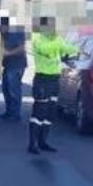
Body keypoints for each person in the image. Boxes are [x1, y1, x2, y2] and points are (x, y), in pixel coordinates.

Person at [27, 16, 78, 154]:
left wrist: (78, 49)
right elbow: (44, 49)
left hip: (54, 79)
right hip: (42, 79)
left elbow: (66, 48)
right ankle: (32, 144)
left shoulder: (56, 39)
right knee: (40, 111)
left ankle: (43, 142)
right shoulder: (38, 38)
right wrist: (58, 43)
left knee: (50, 112)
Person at [1, 23, 28, 122]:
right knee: (6, 89)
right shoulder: (4, 31)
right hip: (8, 65)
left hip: (16, 64)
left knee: (14, 89)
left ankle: (15, 114)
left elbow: (21, 49)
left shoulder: (17, 30)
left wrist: (8, 53)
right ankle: (9, 112)